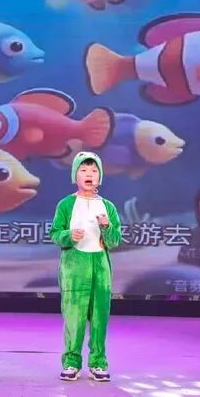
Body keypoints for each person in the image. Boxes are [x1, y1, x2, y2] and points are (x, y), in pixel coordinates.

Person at [50, 151, 122, 382]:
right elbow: (55, 233)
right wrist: (69, 236)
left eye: (93, 170)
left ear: (100, 177)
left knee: (100, 318)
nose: (89, 174)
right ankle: (71, 362)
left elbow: (115, 241)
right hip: (75, 268)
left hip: (100, 267)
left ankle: (98, 363)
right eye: (83, 170)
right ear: (75, 175)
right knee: (74, 317)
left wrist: (107, 226)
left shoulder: (108, 206)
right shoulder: (66, 204)